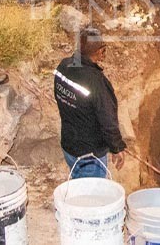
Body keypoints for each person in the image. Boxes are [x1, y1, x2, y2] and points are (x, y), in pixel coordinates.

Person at [54, 30, 127, 178]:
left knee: (78, 186)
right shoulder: (97, 83)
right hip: (90, 156)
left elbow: (59, 97)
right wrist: (117, 147)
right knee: (92, 196)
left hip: (69, 146)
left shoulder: (63, 66)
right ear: (100, 51)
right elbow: (108, 121)